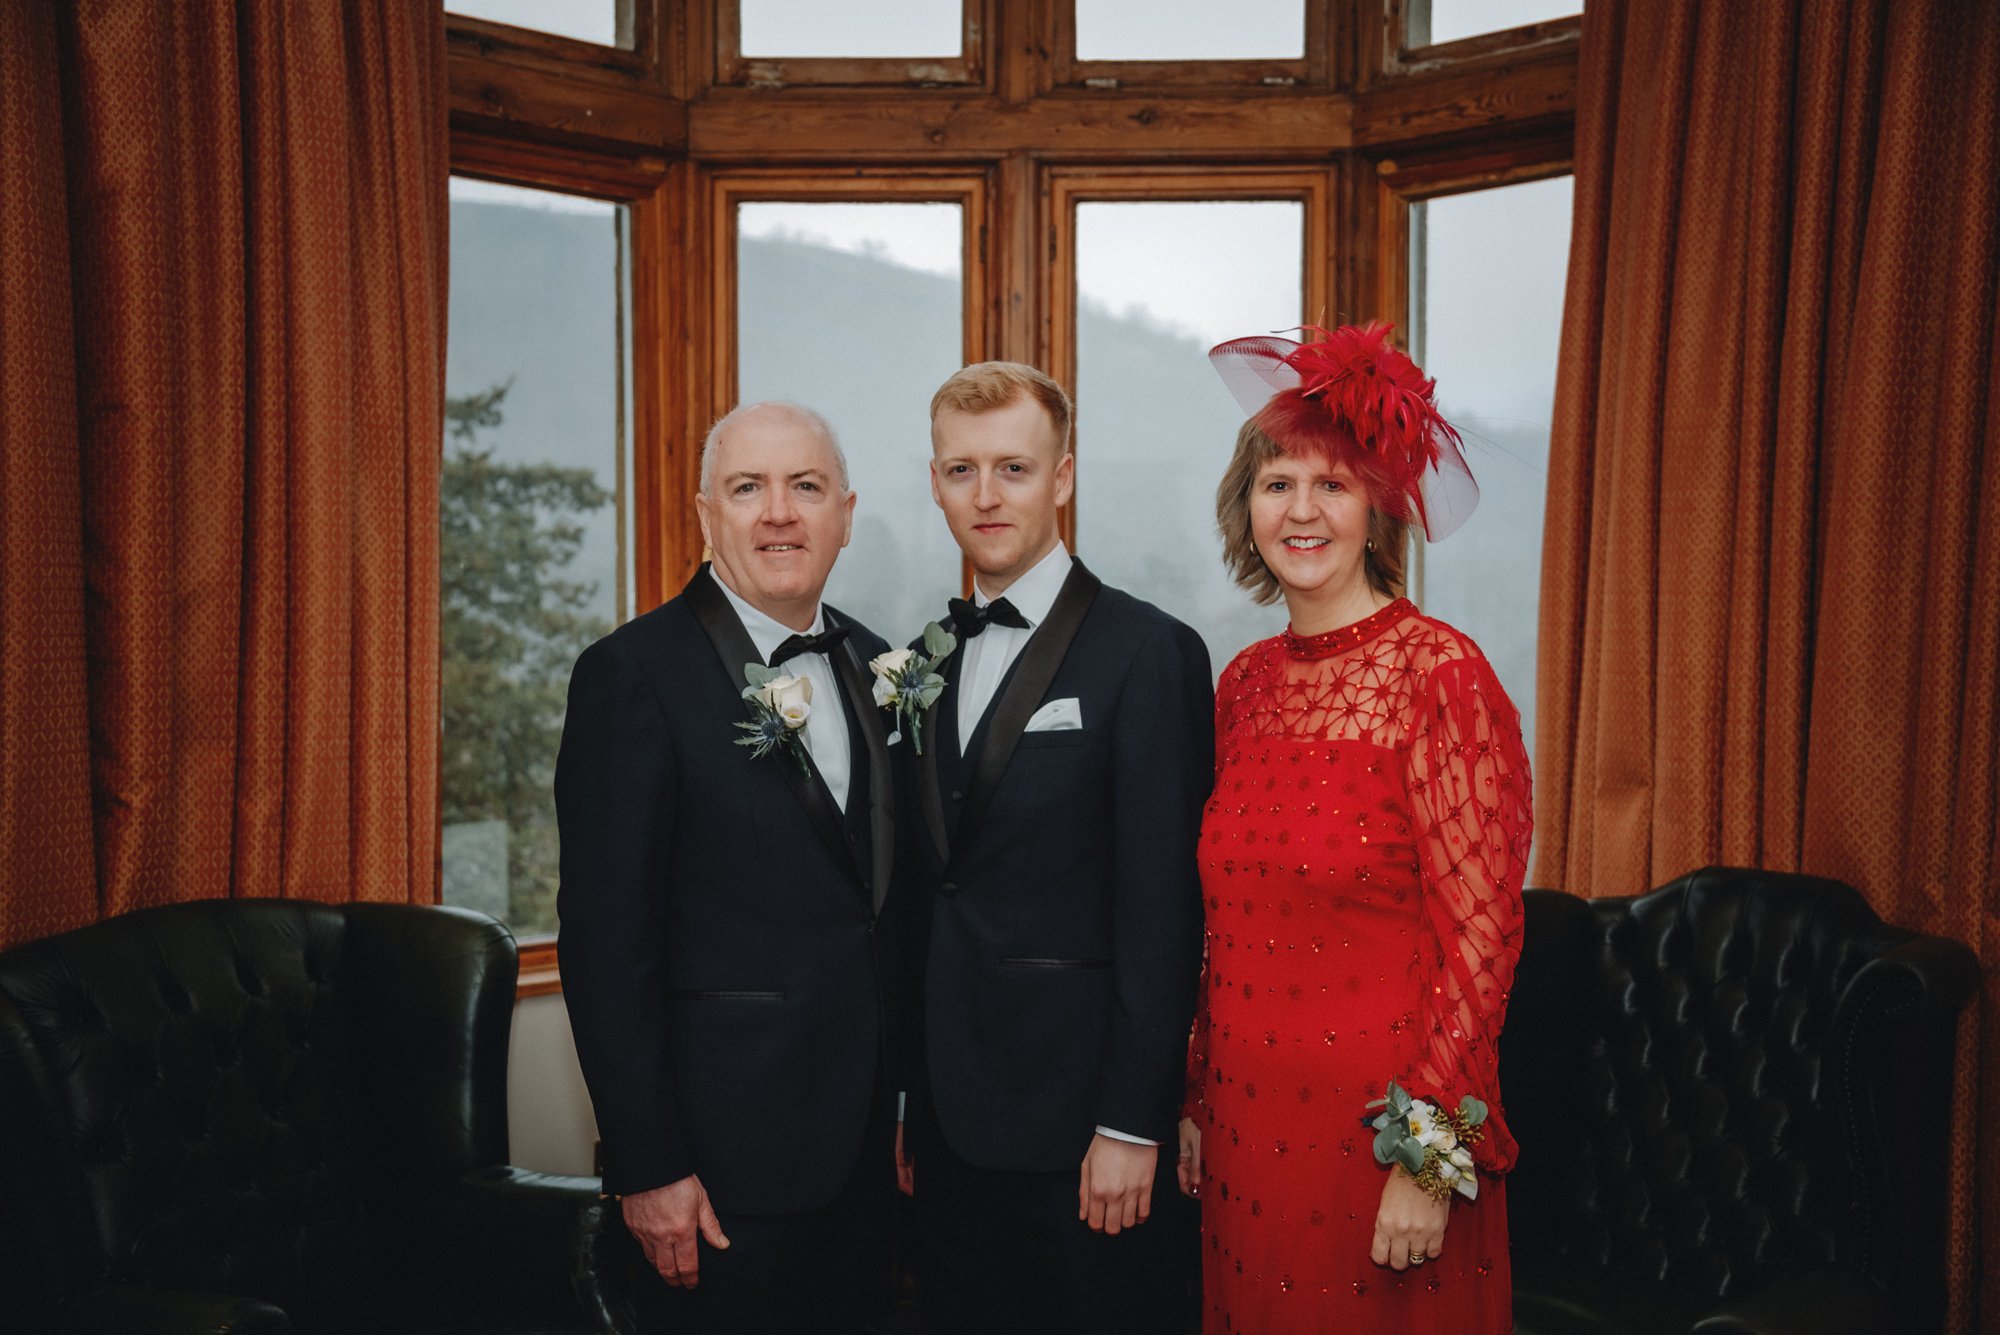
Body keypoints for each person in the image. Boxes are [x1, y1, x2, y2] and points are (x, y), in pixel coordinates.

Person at [1178, 323, 1532, 1334]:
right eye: (1275, 483)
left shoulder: (1441, 675)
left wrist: (1427, 1157)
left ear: (1376, 505)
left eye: (1330, 485)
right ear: (1244, 509)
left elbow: (1482, 940)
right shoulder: (1241, 684)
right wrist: (1197, 1094)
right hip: (1247, 1127)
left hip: (1380, 1140)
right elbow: (1225, 924)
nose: (1300, 510)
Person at [554, 402, 903, 1334]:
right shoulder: (631, 675)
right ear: (708, 514)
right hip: (717, 1175)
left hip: (870, 1165)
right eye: (749, 488)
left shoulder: (877, 665)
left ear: (846, 513)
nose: (779, 513)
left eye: (806, 487)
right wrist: (650, 1166)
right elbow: (604, 947)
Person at [896, 361, 1212, 1335]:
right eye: (960, 471)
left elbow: (1163, 909)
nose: (984, 496)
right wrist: (908, 1099)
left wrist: (1129, 1121)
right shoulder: (921, 658)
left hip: (1080, 1127)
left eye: (1013, 469)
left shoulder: (1146, 652)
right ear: (936, 481)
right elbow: (920, 892)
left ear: (1063, 478)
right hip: (948, 1128)